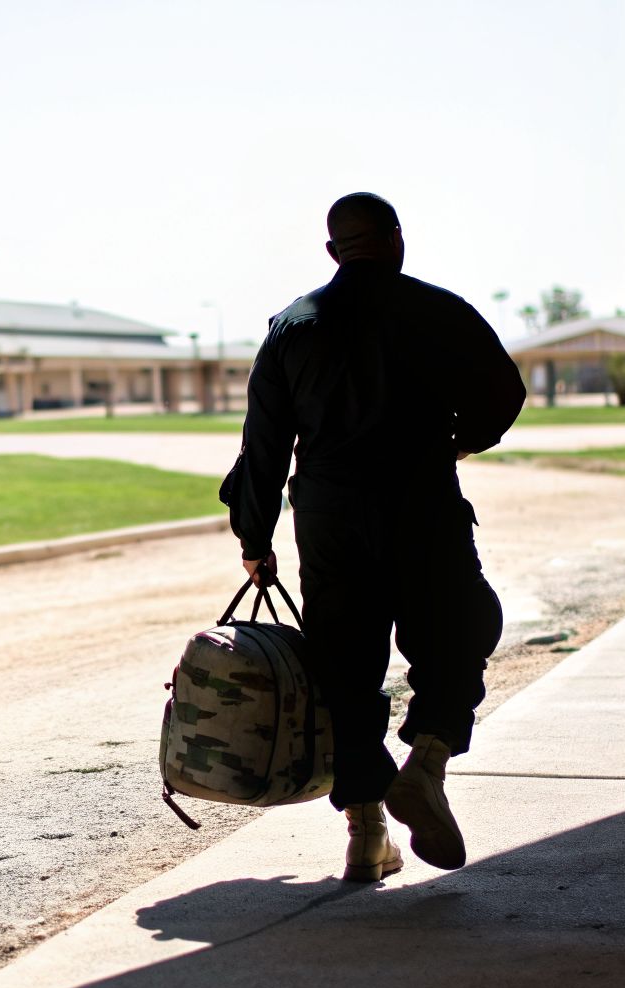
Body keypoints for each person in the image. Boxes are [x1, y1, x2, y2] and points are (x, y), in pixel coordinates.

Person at [219, 193, 526, 882]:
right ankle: (428, 759)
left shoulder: (291, 328)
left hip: (329, 520)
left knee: (345, 669)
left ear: (334, 253)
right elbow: (504, 392)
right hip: (423, 504)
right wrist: (458, 442)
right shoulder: (438, 310)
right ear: (395, 241)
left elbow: (263, 447)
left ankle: (366, 832)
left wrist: (255, 537)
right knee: (461, 630)